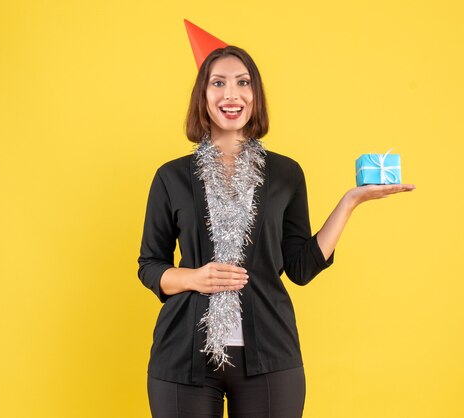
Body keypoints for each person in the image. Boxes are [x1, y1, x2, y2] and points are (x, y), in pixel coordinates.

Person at [138, 45, 415, 418]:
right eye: (218, 83)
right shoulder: (171, 176)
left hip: (269, 353)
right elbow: (150, 265)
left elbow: (300, 268)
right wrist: (194, 277)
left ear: (256, 96)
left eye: (243, 83)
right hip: (183, 357)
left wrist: (350, 202)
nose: (231, 94)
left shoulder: (285, 174)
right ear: (203, 96)